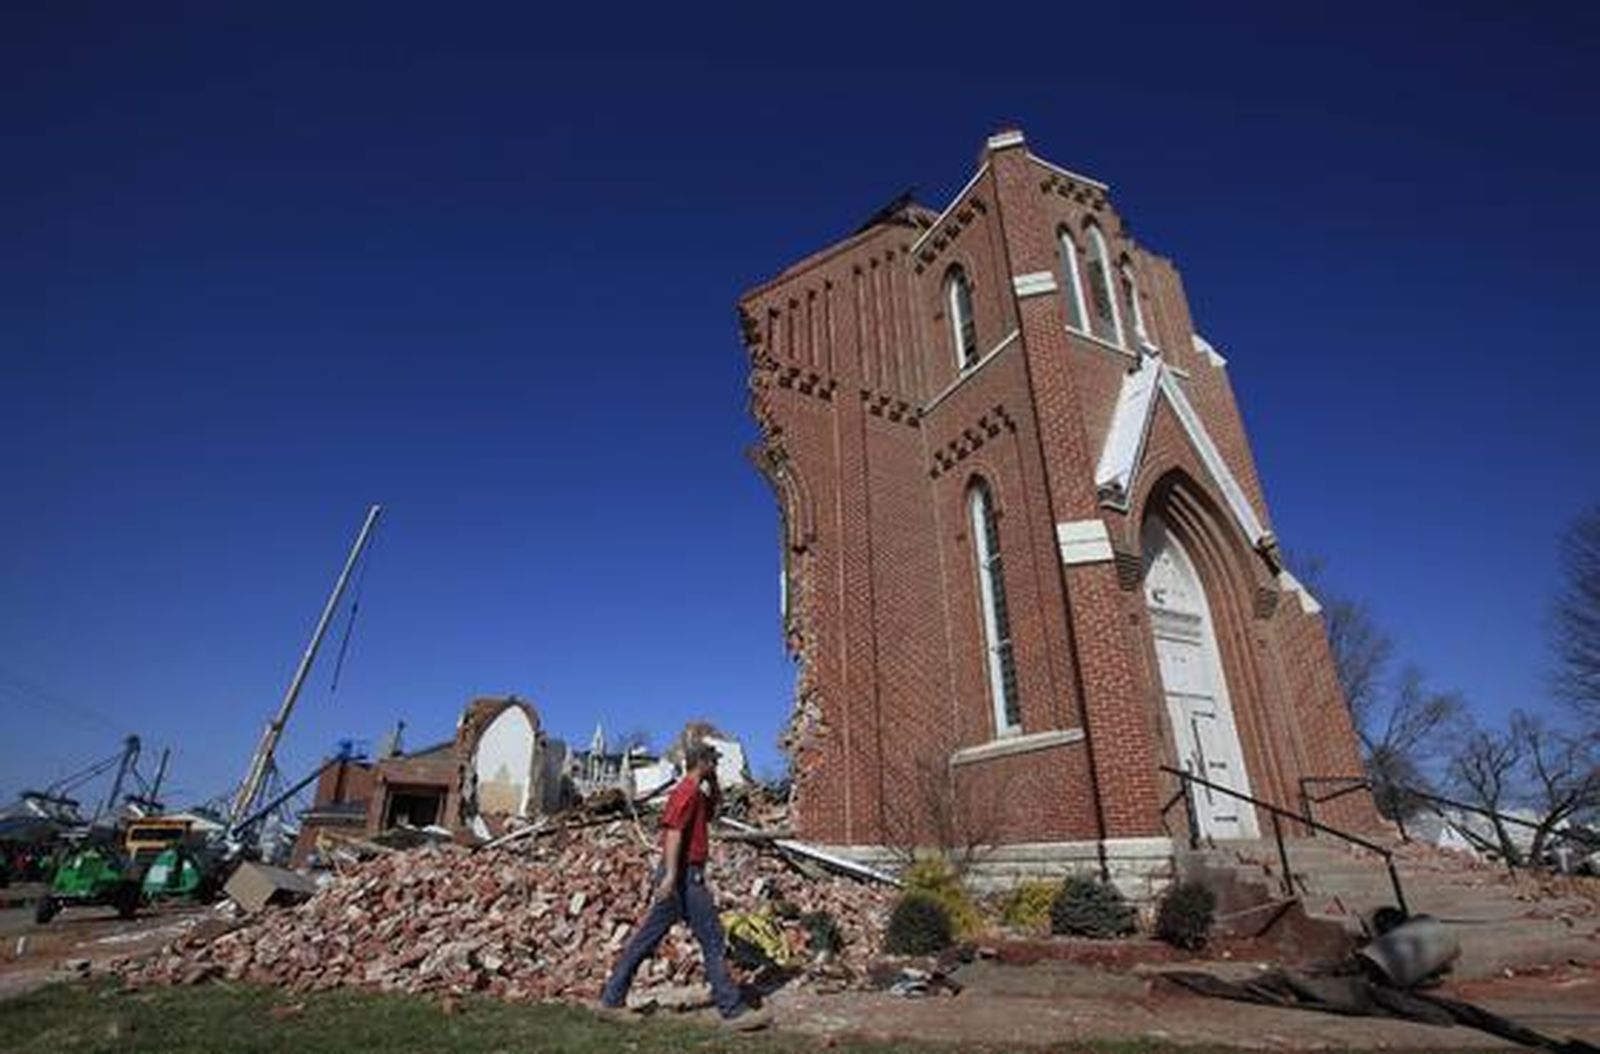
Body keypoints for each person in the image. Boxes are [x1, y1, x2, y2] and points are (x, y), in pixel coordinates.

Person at [599, 741, 768, 1030]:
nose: (716, 766)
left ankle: (612, 998)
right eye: (712, 762)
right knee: (713, 938)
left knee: (649, 938)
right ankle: (732, 1010)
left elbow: (714, 812)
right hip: (684, 878)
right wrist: (670, 877)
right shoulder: (686, 792)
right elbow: (673, 833)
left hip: (685, 876)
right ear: (700, 761)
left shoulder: (697, 793)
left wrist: (714, 784)